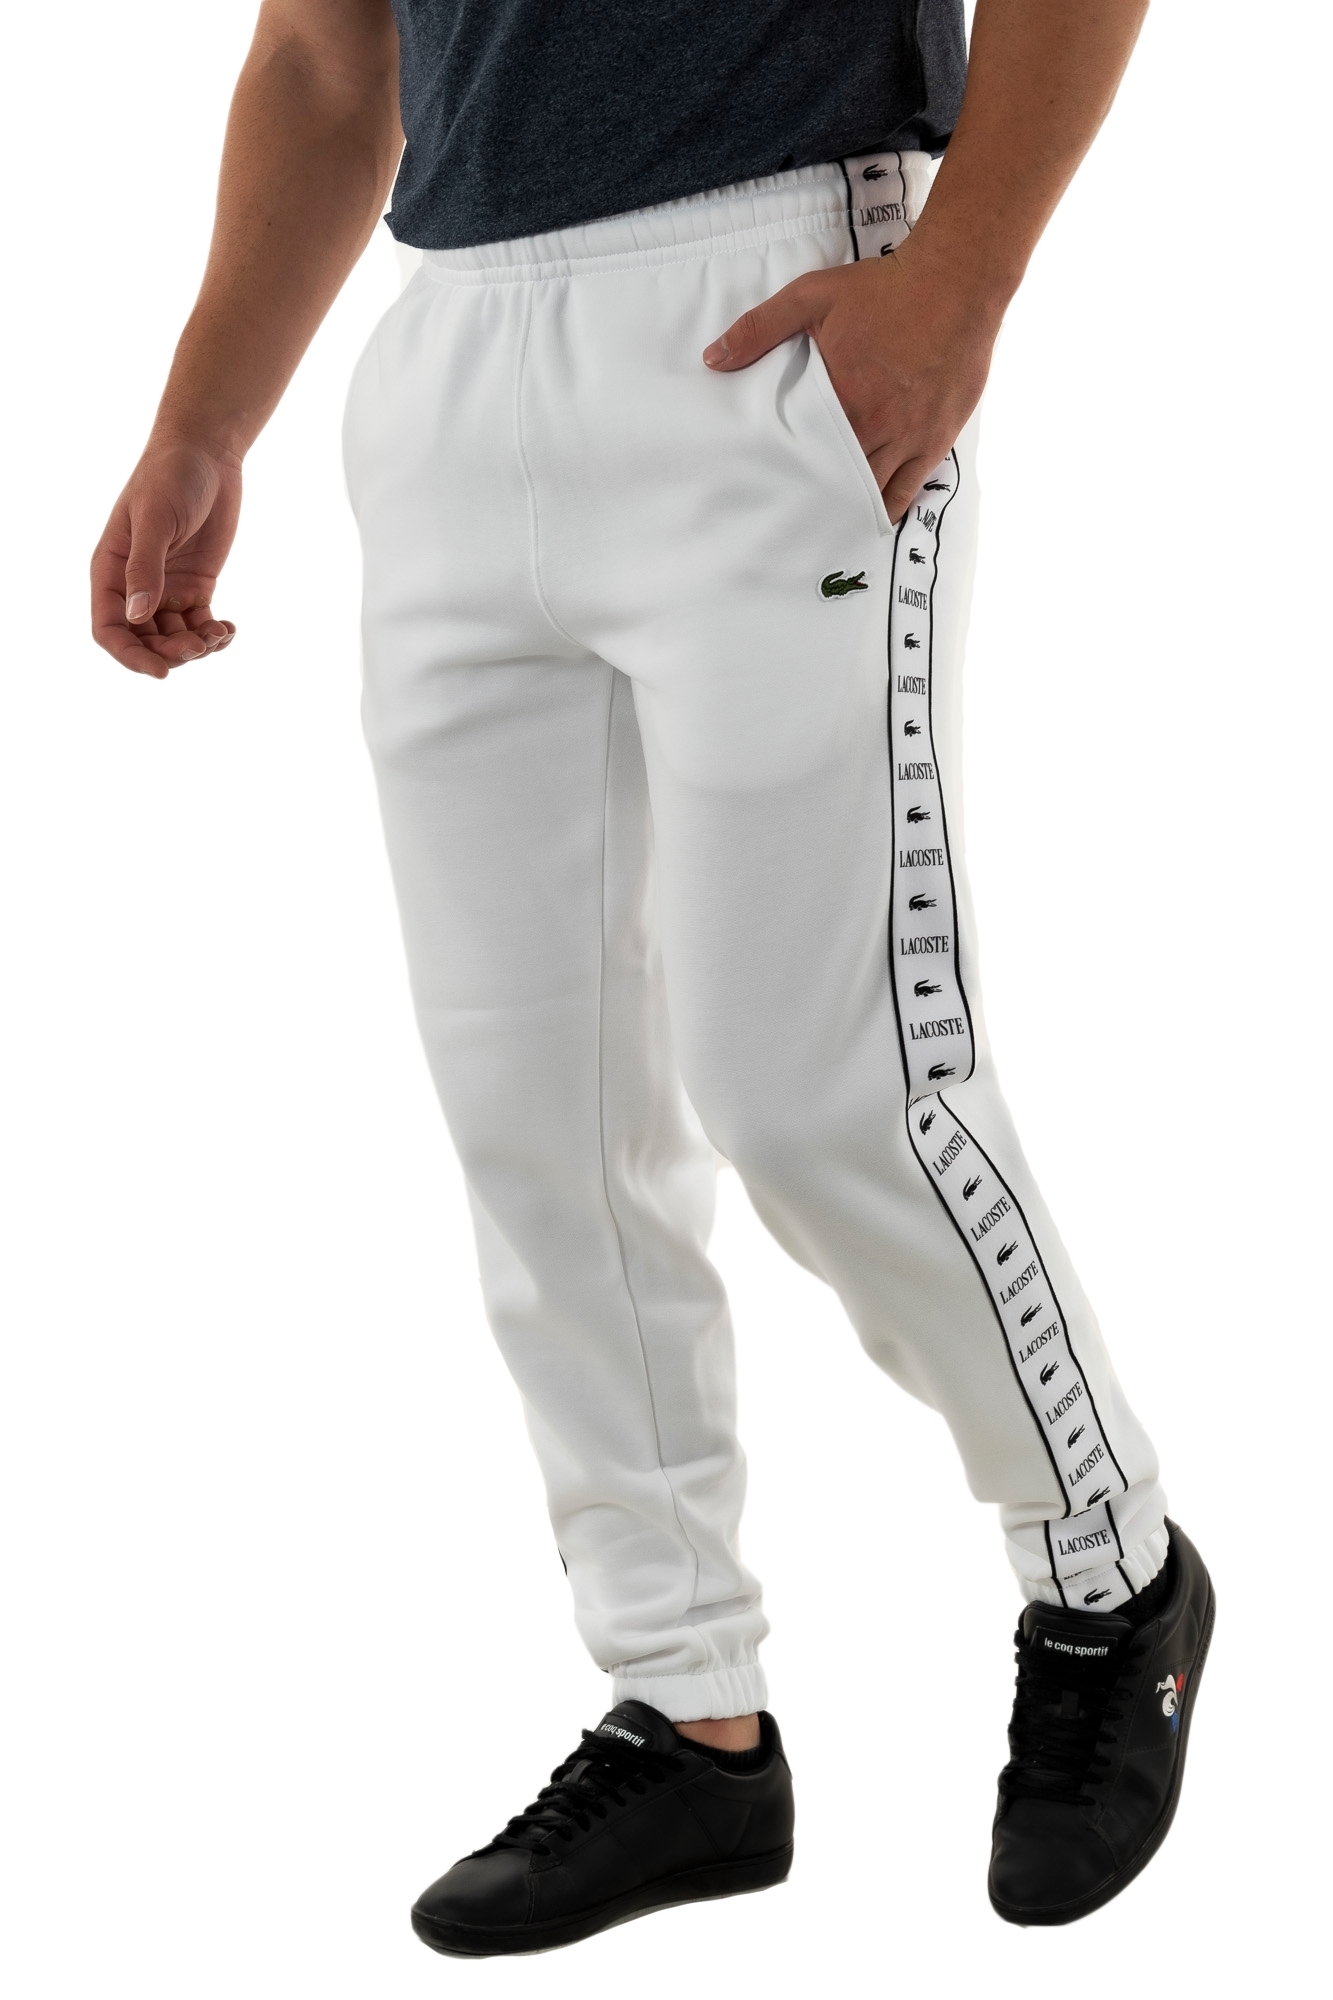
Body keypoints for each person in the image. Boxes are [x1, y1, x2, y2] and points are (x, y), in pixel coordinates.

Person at [90, 0, 1215, 1954]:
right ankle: (685, 1704)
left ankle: (1111, 1572)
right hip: (450, 355)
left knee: (823, 1088)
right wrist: (203, 417)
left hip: (768, 305)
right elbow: (327, 53)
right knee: (536, 1115)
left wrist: (958, 280)